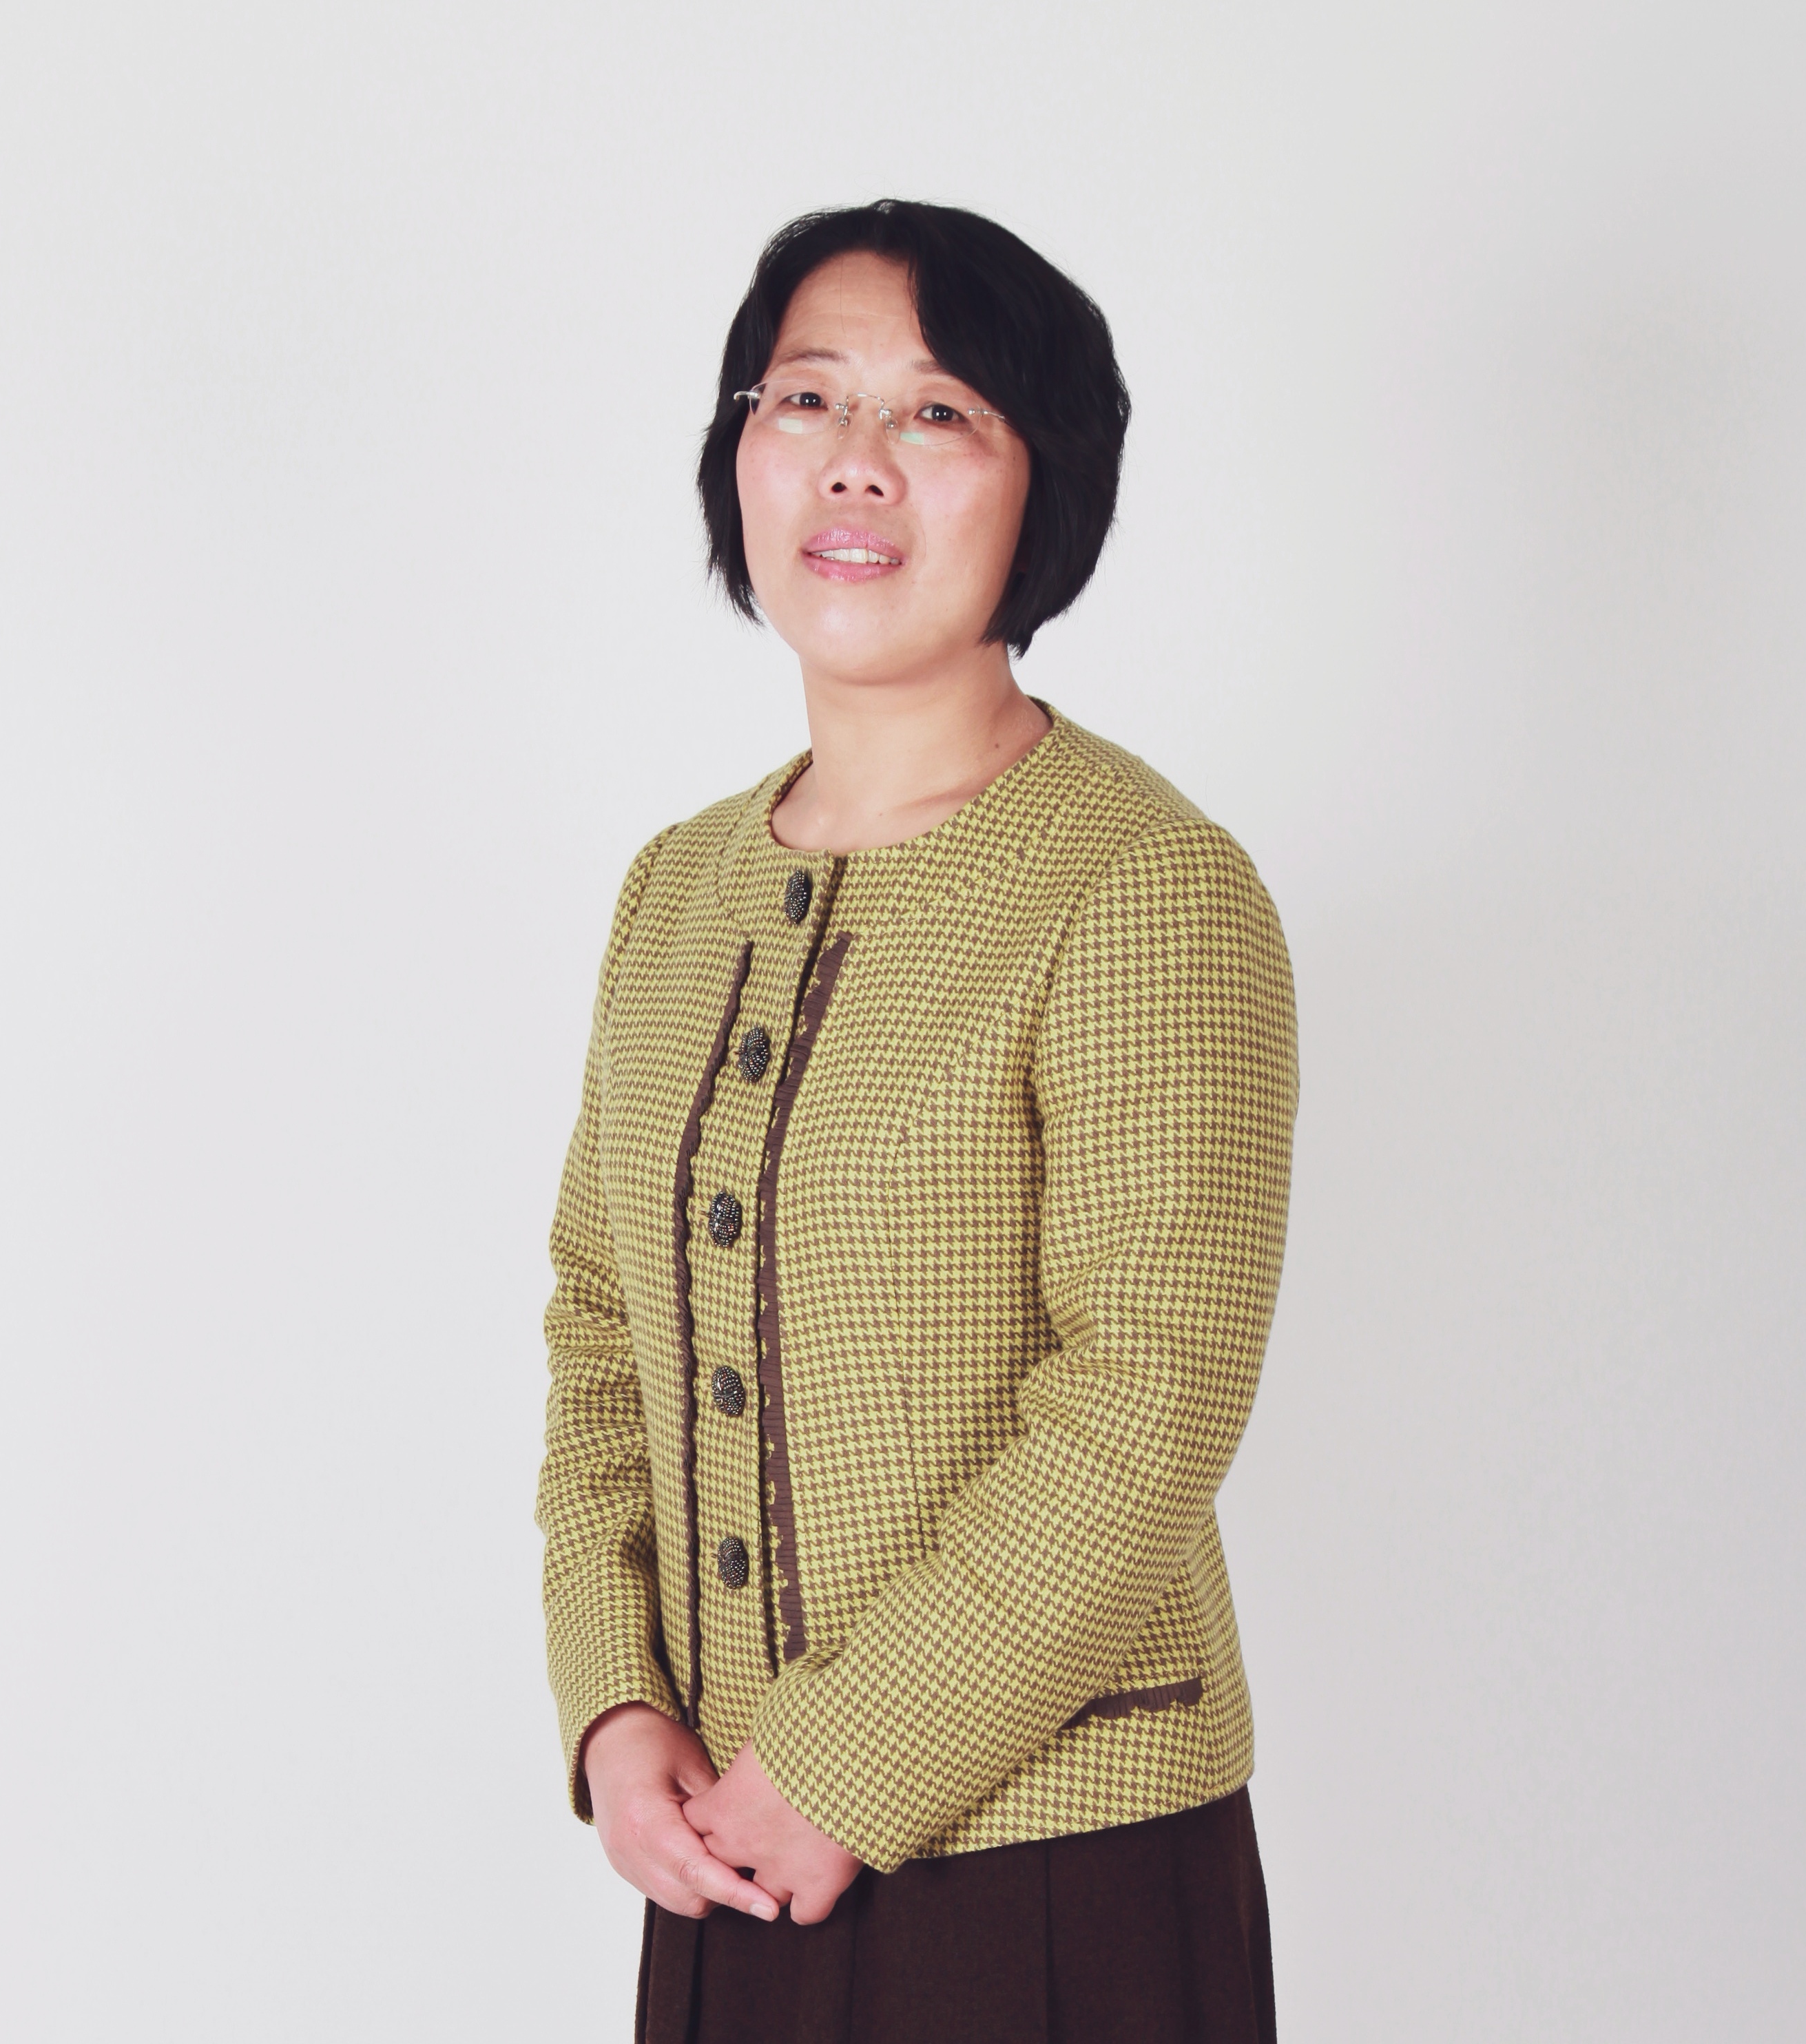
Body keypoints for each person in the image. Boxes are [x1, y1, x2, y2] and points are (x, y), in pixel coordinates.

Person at [535, 199, 1298, 2043]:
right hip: (722, 1850)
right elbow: (601, 1332)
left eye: (940, 412)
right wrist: (614, 1709)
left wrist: (847, 1764)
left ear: (1050, 490)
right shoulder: (675, 891)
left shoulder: (1144, 884)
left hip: (1059, 1872)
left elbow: (1153, 1393)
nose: (854, 459)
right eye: (806, 396)